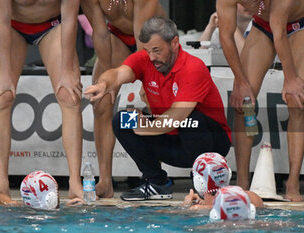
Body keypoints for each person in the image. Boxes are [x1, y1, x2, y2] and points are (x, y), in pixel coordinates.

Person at [84, 16, 232, 201]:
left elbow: (177, 117)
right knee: (122, 120)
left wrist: (146, 126)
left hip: (211, 142)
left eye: (157, 50)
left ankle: (204, 184)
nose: (152, 57)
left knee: (192, 120)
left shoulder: (193, 68)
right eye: (148, 51)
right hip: (173, 140)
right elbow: (118, 73)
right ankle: (156, 183)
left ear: (175, 43)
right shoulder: (145, 59)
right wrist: (104, 84)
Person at [217, 0, 304, 201]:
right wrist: (241, 81)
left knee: (296, 100)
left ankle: (293, 183)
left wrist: (290, 79)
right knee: (244, 102)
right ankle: (243, 182)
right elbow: (226, 36)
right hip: (262, 27)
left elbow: (279, 31)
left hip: (298, 26)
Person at [0, 0, 84, 204]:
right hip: (13, 25)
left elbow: (69, 20)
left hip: (53, 25)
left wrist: (67, 70)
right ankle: (1, 183)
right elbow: (3, 20)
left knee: (69, 94)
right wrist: (4, 73)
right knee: (1, 96)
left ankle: (75, 183)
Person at [80, 0, 166, 198]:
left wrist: (146, 82)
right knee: (101, 102)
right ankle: (105, 181)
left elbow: (141, 37)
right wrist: (107, 79)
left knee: (154, 101)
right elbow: (100, 33)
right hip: (116, 36)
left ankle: (156, 180)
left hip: (154, 38)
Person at [183, 152, 264, 209]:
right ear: (229, 174)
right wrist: (204, 203)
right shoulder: (253, 198)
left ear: (198, 182)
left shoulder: (196, 209)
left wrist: (186, 205)